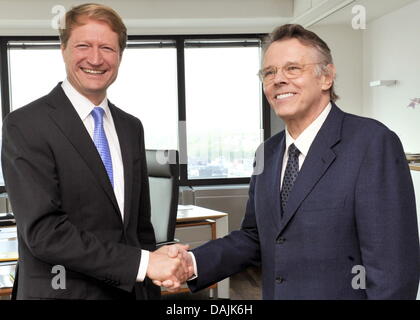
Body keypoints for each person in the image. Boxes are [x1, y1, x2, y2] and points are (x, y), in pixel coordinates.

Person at [158, 24, 420, 299]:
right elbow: (255, 237)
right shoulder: (267, 153)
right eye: (269, 72)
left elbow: (394, 272)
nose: (278, 79)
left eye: (293, 68)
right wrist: (192, 264)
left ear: (326, 77)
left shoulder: (372, 143)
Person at [1, 3, 189, 300]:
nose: (95, 58)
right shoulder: (25, 125)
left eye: (107, 48)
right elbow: (45, 233)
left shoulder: (131, 127)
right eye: (83, 45)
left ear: (120, 56)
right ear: (63, 49)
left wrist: (155, 274)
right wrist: (144, 264)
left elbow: (139, 229)